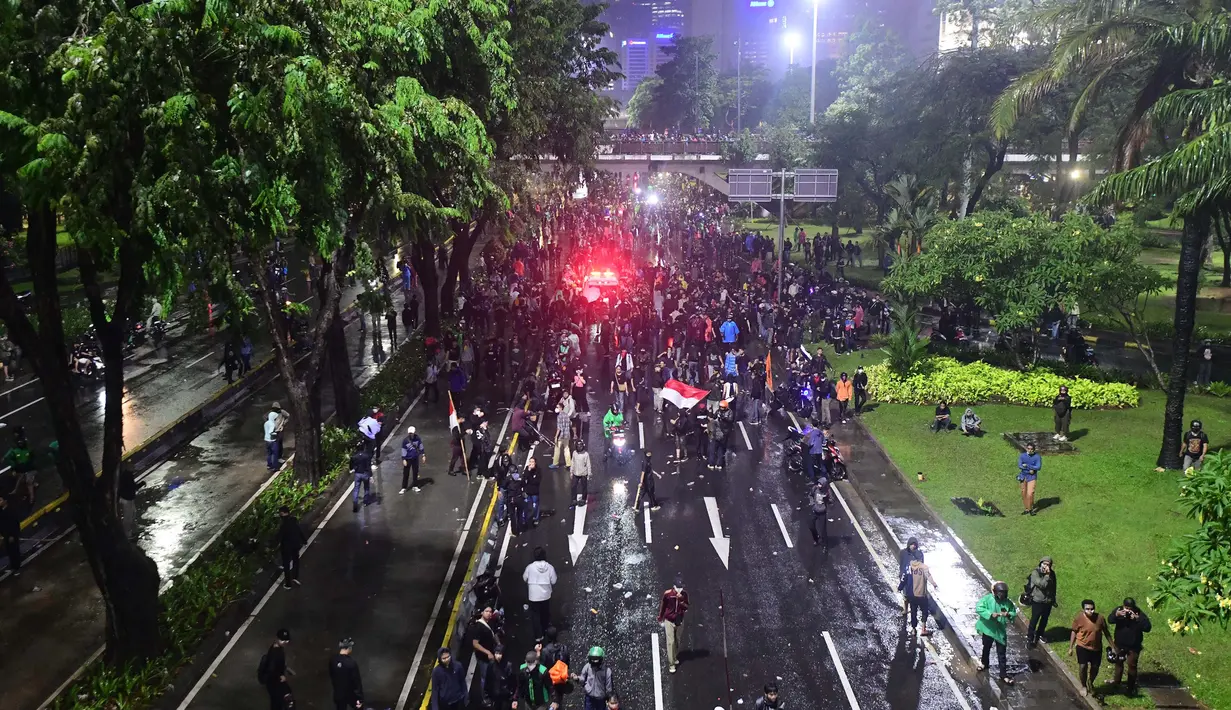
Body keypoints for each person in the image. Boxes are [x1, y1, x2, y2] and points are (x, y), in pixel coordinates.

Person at [1070, 599, 1117, 697]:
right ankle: (1083, 685)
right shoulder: (1079, 618)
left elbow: (1106, 632)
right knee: (1083, 666)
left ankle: (1090, 682)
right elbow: (1074, 631)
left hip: (1096, 648)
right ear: (1083, 609)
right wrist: (1071, 647)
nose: (1090, 611)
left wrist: (1113, 646)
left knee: (1095, 667)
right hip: (1082, 646)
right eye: (1087, 609)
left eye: (1092, 609)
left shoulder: (1100, 618)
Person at [975, 581, 1017, 686]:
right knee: (986, 647)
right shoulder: (987, 599)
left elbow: (1013, 612)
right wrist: (990, 614)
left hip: (1000, 630)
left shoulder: (1007, 602)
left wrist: (1008, 614)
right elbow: (979, 608)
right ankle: (984, 663)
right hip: (988, 629)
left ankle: (1003, 674)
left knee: (1001, 653)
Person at [1109, 598, 1152, 696]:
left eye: (1130, 608)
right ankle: (1116, 683)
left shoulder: (1139, 614)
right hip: (1119, 644)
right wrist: (1116, 615)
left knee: (1132, 665)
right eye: (1126, 607)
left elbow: (1148, 628)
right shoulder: (1119, 610)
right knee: (1118, 663)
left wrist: (1137, 620)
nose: (1128, 610)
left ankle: (1130, 687)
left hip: (1133, 646)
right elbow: (1110, 620)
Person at [523, 546, 558, 642]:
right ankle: (546, 629)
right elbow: (554, 581)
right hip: (546, 595)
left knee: (535, 615)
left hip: (533, 595)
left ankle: (538, 636)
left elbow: (525, 578)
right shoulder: (550, 567)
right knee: (545, 613)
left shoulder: (530, 567)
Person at [657, 575, 689, 673]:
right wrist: (660, 617)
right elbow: (663, 606)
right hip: (669, 621)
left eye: (681, 587)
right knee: (670, 642)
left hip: (679, 621)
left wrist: (681, 600)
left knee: (677, 640)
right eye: (678, 587)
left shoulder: (684, 594)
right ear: (674, 586)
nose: (680, 590)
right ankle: (671, 664)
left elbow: (686, 607)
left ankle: (674, 656)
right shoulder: (668, 594)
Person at [1024, 556, 1058, 647]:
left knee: (1044, 620)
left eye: (1048, 564)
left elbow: (1054, 586)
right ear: (1041, 563)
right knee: (1034, 620)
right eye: (1045, 564)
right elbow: (1041, 585)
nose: (1046, 566)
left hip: (1048, 601)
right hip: (1037, 601)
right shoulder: (1035, 573)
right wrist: (1047, 576)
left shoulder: (1052, 574)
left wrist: (1053, 598)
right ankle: (1029, 637)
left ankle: (1040, 634)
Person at [258, 628, 293, 710]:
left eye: (286, 640)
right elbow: (271, 670)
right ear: (277, 639)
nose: (285, 642)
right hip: (274, 682)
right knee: (282, 700)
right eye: (283, 640)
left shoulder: (275, 648)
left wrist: (284, 668)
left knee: (276, 701)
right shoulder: (276, 654)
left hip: (273, 681)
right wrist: (280, 676)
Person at [905, 558, 938, 635]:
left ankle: (913, 629)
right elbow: (928, 576)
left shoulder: (910, 566)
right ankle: (923, 629)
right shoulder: (924, 567)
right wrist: (934, 584)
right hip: (922, 594)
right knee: (924, 611)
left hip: (912, 594)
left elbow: (905, 577)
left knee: (913, 612)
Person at [277, 505, 307, 589]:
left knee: (286, 565)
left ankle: (288, 584)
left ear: (282, 513)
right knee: (296, 560)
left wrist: (272, 544)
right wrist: (304, 541)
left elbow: (280, 536)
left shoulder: (283, 524)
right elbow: (299, 530)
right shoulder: (293, 520)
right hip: (295, 545)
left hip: (286, 547)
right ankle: (295, 577)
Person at [329, 638, 364, 710]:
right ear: (349, 648)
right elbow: (356, 682)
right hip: (351, 695)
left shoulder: (333, 661)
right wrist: (359, 698)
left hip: (338, 694)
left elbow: (332, 676)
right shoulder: (351, 662)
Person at [484, 644, 517, 710]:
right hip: (495, 695)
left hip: (506, 696)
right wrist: (486, 695)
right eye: (496, 653)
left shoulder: (508, 666)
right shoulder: (491, 665)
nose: (498, 656)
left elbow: (514, 683)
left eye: (500, 653)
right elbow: (488, 680)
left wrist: (514, 698)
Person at [1017, 442, 1041, 515]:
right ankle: (1026, 508)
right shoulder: (1022, 456)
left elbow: (1038, 467)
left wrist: (1027, 466)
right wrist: (1029, 468)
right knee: (1023, 492)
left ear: (1034, 449)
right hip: (1023, 476)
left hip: (1032, 477)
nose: (1030, 450)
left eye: (1031, 449)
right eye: (1028, 449)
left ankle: (1030, 509)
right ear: (1026, 448)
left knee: (1030, 493)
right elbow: (1020, 465)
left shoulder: (1037, 457)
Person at [400, 426, 425, 493]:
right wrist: (404, 459)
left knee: (415, 472)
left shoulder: (417, 439)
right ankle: (404, 487)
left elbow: (421, 446)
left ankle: (415, 486)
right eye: (410, 433)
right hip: (408, 459)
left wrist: (423, 455)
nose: (411, 434)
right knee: (406, 473)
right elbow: (403, 450)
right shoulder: (405, 441)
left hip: (415, 458)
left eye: (412, 433)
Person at [350, 443, 374, 513]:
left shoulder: (354, 456)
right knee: (366, 488)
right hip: (365, 474)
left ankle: (355, 502)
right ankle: (366, 502)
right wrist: (371, 476)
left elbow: (351, 465)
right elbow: (368, 467)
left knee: (356, 489)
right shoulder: (367, 456)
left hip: (357, 474)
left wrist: (352, 469)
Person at [0, 496, 21, 576]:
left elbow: (15, 524)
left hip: (12, 535)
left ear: (5, 501)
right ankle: (13, 567)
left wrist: (12, 535)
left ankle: (17, 568)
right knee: (9, 552)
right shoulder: (1, 511)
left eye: (0, 500)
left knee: (14, 551)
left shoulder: (11, 511)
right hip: (5, 535)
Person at [809, 477, 830, 547]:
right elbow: (810, 495)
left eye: (820, 484)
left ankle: (825, 545)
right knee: (811, 526)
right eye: (818, 483)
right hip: (815, 511)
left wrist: (826, 499)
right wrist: (812, 504)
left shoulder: (827, 492)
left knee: (823, 531)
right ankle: (816, 539)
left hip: (822, 513)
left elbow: (832, 501)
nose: (819, 485)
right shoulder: (815, 488)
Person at [118, 465, 138, 539]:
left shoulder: (126, 475)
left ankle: (131, 529)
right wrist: (139, 485)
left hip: (128, 498)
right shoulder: (127, 476)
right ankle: (127, 534)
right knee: (128, 517)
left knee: (132, 513)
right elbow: (132, 486)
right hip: (127, 498)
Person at [570, 440, 591, 508]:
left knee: (584, 487)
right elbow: (572, 462)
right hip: (576, 473)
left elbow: (588, 464)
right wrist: (571, 471)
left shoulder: (586, 454)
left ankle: (583, 499)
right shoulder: (574, 453)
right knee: (573, 486)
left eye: (581, 446)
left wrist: (589, 474)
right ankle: (574, 499)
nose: (579, 447)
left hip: (583, 473)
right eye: (578, 446)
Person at [523, 457, 543, 525]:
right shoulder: (527, 469)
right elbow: (524, 478)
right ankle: (525, 519)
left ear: (535, 463)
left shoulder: (538, 470)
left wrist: (529, 479)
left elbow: (537, 481)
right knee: (527, 506)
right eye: (530, 461)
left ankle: (536, 518)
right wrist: (528, 471)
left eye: (532, 462)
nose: (531, 463)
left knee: (535, 506)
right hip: (528, 491)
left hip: (534, 492)